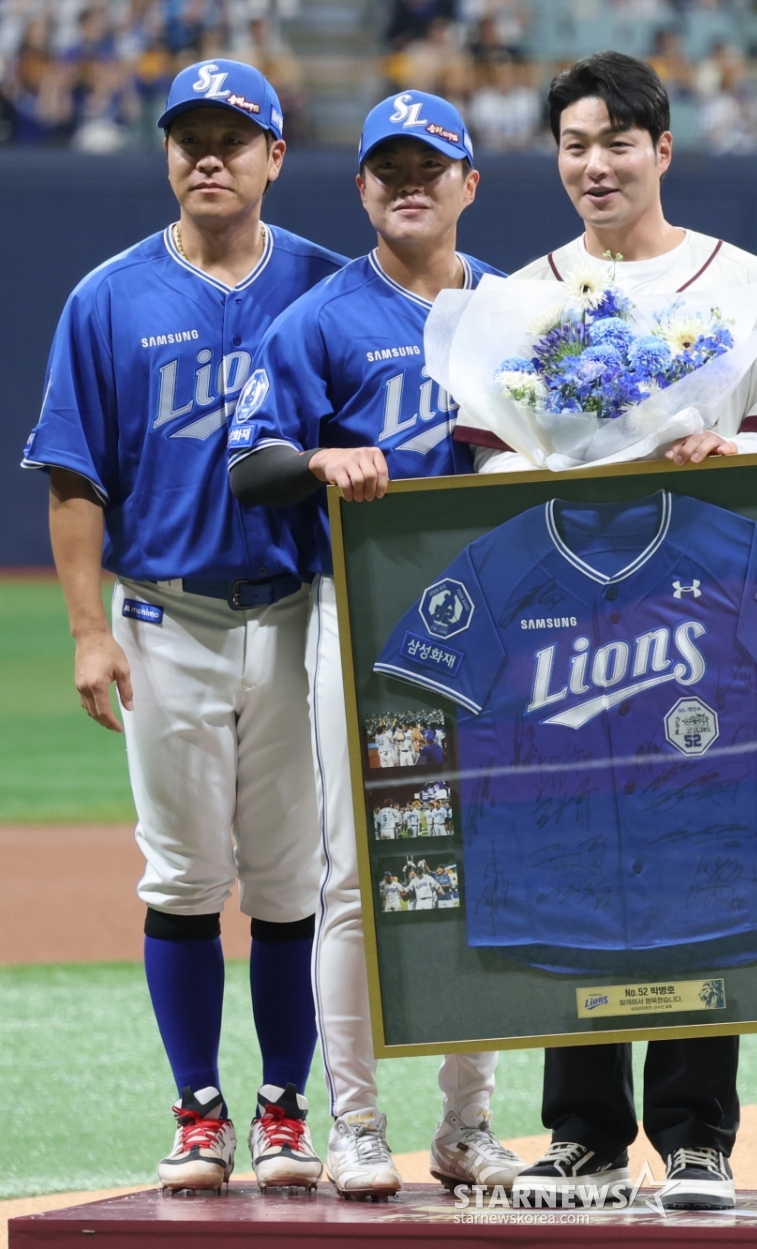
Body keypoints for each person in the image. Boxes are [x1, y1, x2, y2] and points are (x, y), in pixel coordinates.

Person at [452, 51, 757, 1214]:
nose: (594, 164)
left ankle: (698, 1136)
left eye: (615, 142)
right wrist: (538, 470)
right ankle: (584, 1135)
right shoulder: (519, 297)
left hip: (700, 618)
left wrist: (728, 452)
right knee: (568, 856)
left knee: (700, 855)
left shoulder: (743, 284)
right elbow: (482, 457)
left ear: (662, 148)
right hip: (563, 621)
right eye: (573, 145)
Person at [21, 60, 349, 1192]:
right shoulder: (108, 297)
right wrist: (86, 629)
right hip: (164, 616)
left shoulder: (324, 285)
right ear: (166, 154)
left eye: (232, 138)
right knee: (180, 877)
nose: (209, 156)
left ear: (274, 157)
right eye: (190, 138)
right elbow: (74, 476)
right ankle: (199, 1109)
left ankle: (285, 1109)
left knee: (290, 883)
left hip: (298, 614)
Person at [226, 89, 523, 1201]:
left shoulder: (519, 309)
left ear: (467, 184)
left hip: (502, 624)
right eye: (389, 167)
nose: (410, 183)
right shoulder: (319, 320)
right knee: (354, 873)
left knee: (485, 870)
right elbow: (248, 464)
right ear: (361, 187)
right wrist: (318, 459)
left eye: (430, 166)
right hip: (360, 613)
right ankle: (355, 1123)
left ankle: (466, 1123)